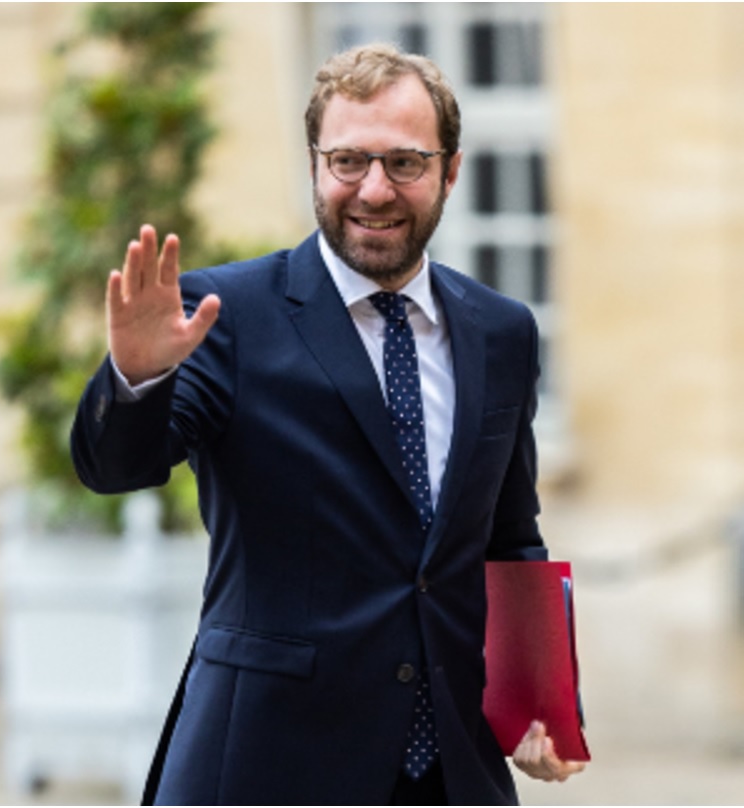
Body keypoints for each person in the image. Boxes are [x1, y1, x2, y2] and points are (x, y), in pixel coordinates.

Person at [71, 43, 586, 805]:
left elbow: (509, 536)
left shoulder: (501, 330)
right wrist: (140, 377)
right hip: (266, 765)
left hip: (450, 772)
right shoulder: (227, 314)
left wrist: (541, 703)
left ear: (449, 171)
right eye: (348, 161)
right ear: (315, 166)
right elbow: (117, 469)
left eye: (405, 163)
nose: (374, 189)